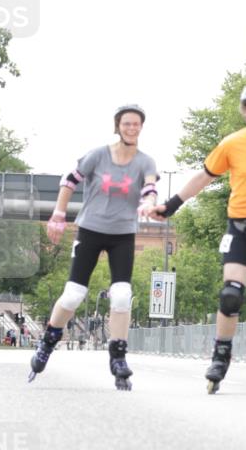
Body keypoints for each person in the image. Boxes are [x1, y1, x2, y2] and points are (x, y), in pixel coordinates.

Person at [148, 82, 246, 393]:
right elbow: (204, 177)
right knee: (231, 294)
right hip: (241, 229)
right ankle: (220, 357)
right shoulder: (232, 144)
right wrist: (172, 205)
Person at [28, 103, 158, 389]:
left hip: (123, 233)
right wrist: (59, 214)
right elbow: (70, 180)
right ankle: (48, 341)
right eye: (126, 123)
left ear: (141, 128)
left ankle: (118, 357)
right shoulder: (98, 155)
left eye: (136, 124)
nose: (131, 128)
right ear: (117, 126)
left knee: (121, 295)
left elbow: (150, 187)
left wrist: (149, 202)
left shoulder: (145, 161)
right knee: (73, 295)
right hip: (90, 229)